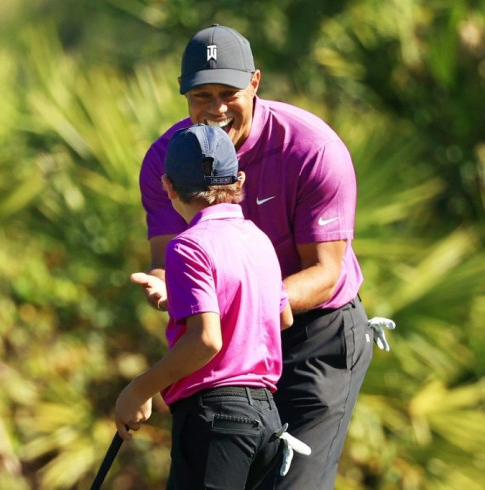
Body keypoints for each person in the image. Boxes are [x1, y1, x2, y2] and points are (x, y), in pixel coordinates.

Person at [131, 24, 374, 489]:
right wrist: (168, 283)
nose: (216, 108)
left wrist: (252, 302)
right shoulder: (167, 160)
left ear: (255, 83)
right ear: (183, 93)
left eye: (229, 93)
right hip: (234, 340)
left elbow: (326, 270)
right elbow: (166, 254)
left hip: (317, 337)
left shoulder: (312, 149)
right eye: (202, 95)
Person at [114, 123, 294, 489]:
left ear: (168, 186)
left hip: (216, 420)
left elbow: (206, 341)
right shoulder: (258, 239)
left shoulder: (187, 246)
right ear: (239, 179)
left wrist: (140, 388)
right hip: (267, 420)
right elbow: (283, 317)